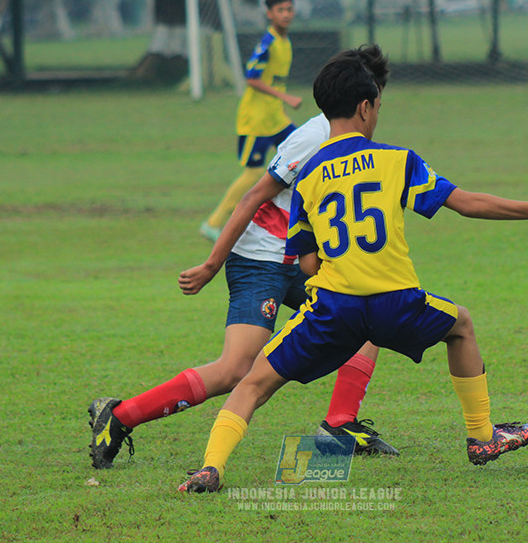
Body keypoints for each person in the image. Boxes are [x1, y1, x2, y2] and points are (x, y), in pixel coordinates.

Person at [178, 46, 528, 493]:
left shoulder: (307, 177)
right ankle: (482, 437)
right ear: (366, 107)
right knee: (460, 325)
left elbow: (307, 262)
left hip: (332, 308)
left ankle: (211, 467)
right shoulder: (397, 160)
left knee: (253, 384)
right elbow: (466, 204)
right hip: (395, 303)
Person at [87, 46, 399, 471]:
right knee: (235, 369)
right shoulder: (314, 136)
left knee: (366, 313)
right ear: (364, 100)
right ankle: (119, 416)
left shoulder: (356, 141)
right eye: (378, 101)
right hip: (261, 259)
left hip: (299, 260)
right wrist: (212, 264)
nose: (378, 110)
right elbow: (254, 195)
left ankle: (340, 424)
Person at [199, 0, 305, 241]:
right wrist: (285, 97)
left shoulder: (285, 41)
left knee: (304, 158)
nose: (286, 14)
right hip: (256, 121)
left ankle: (297, 220)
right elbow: (251, 78)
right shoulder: (267, 43)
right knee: (253, 173)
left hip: (276, 119)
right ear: (269, 14)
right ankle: (213, 224)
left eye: (289, 9)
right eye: (280, 10)